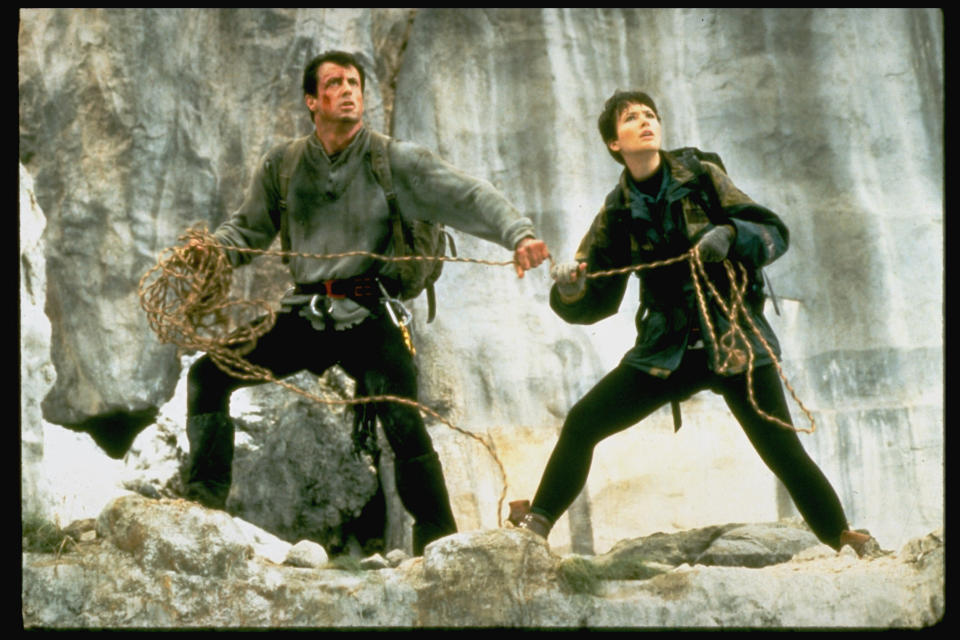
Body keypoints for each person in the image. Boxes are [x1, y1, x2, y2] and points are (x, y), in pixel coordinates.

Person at [181, 50, 550, 555]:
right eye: (335, 83)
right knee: (208, 375)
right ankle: (202, 516)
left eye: (355, 82)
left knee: (400, 416)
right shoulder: (283, 166)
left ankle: (439, 545)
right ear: (313, 101)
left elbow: (465, 195)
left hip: (369, 310)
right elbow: (246, 231)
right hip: (304, 313)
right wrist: (209, 253)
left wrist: (519, 233)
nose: (350, 90)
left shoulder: (391, 159)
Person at [509, 90, 873, 556]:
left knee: (783, 451)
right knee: (583, 422)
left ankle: (843, 538)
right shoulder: (618, 210)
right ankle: (535, 528)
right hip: (667, 353)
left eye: (650, 115)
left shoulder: (702, 176)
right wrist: (571, 289)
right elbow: (596, 296)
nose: (646, 122)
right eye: (631, 118)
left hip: (736, 341)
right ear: (613, 144)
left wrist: (730, 234)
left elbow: (773, 232)